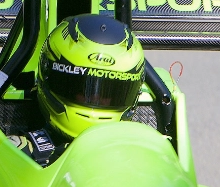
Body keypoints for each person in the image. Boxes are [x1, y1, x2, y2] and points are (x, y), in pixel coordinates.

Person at [9, 13, 146, 165]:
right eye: (82, 89)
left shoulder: (143, 158)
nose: (95, 99)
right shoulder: (19, 153)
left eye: (109, 92)